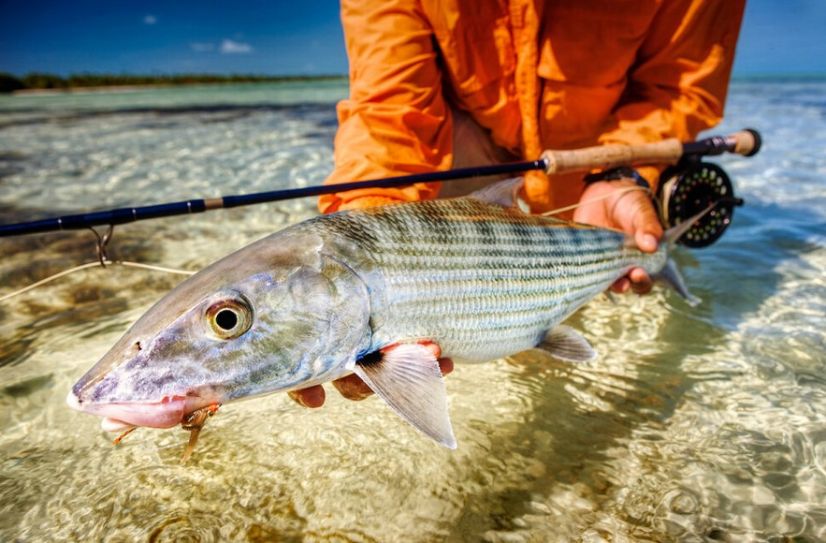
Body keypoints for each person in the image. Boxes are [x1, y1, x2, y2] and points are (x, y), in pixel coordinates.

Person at [290, 0, 746, 408]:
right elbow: (388, 110)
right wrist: (367, 229)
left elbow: (680, 84)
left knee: (545, 333)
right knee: (485, 328)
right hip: (464, 146)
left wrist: (624, 174)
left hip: (596, 155)